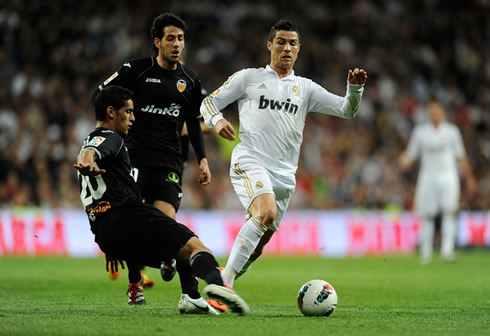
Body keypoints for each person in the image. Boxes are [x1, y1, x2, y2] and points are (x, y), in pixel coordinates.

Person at [200, 19, 367, 310]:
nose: (286, 48)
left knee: (259, 244)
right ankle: (222, 283)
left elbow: (346, 110)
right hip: (250, 159)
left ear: (299, 49)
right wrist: (218, 121)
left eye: (292, 43)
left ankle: (221, 284)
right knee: (265, 212)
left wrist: (354, 90)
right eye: (281, 42)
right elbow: (208, 103)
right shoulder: (248, 78)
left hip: (285, 177)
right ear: (270, 46)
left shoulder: (305, 88)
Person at [74, 85, 249, 315]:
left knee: (178, 247)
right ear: (110, 112)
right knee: (193, 245)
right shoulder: (110, 138)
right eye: (128, 112)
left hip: (105, 235)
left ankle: (191, 298)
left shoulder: (90, 140)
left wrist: (109, 241)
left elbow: (90, 157)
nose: (133, 118)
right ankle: (218, 285)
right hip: (129, 218)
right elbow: (91, 152)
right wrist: (88, 160)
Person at [92, 13, 211, 307]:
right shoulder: (136, 71)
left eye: (181, 38)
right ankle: (136, 283)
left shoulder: (190, 80)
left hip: (170, 161)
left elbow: (194, 122)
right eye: (170, 38)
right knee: (139, 222)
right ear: (157, 42)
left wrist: (203, 159)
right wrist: (110, 128)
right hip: (133, 159)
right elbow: (101, 95)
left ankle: (182, 282)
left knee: (165, 222)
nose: (177, 44)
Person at [399, 101, 475, 264]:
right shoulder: (420, 132)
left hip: (448, 176)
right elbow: (411, 153)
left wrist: (469, 177)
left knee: (449, 212)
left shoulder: (452, 131)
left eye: (437, 111)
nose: (435, 114)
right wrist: (404, 160)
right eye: (432, 111)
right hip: (428, 177)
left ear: (443, 113)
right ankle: (425, 252)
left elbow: (461, 156)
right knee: (427, 215)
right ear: (428, 113)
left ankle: (447, 251)